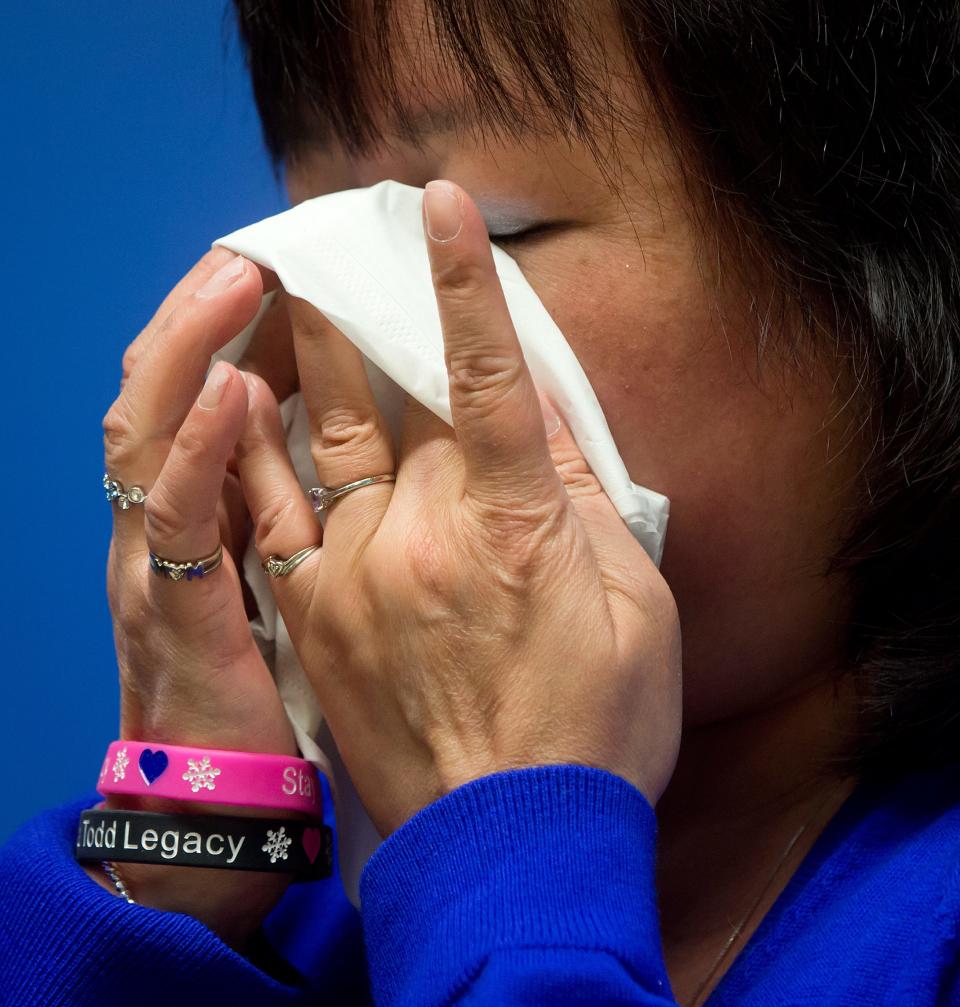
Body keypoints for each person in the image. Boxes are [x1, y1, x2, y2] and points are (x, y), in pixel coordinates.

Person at [2, 2, 959, 1004]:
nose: (335, 311)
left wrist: (510, 847)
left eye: (495, 226)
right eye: (313, 223)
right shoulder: (308, 902)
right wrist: (179, 873)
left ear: (891, 272)